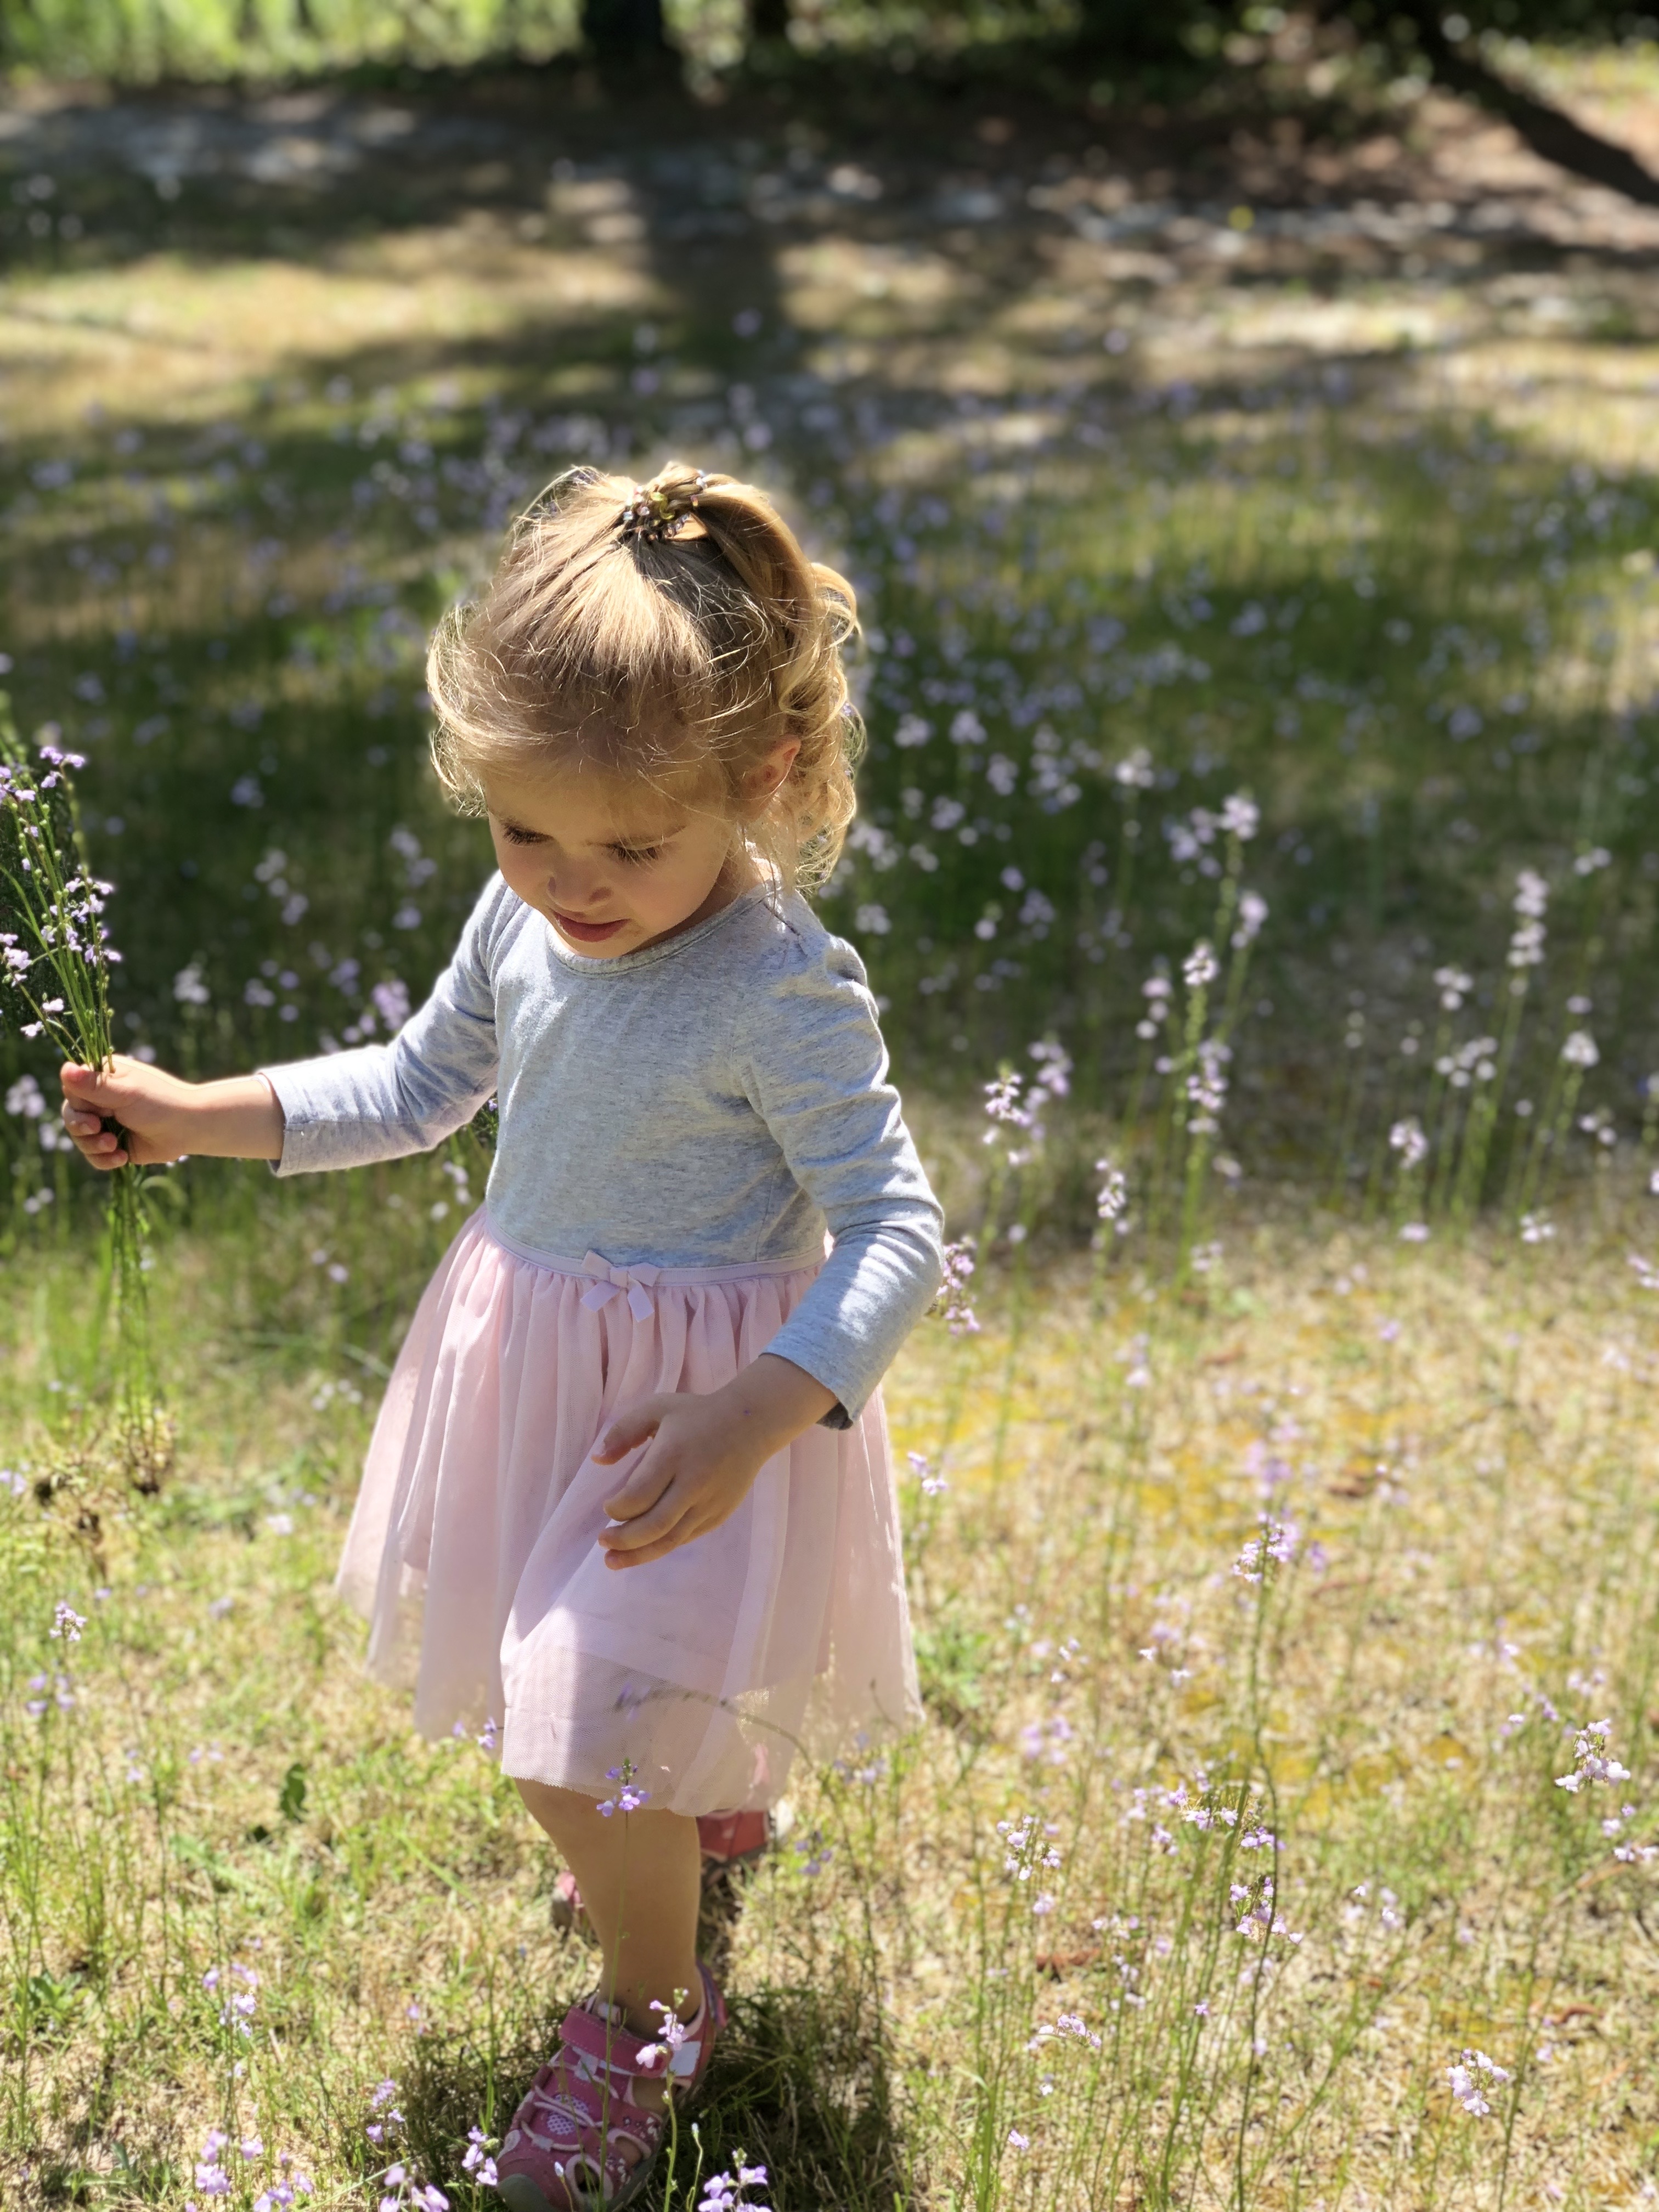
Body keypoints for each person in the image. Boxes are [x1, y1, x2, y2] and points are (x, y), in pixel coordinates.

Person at [59, 462, 944, 2212]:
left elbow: (900, 1227)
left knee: (570, 1736)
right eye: (525, 832)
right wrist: (194, 1111)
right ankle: (688, 1822)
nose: (572, 883)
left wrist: (765, 1409)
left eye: (631, 847)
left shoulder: (776, 987)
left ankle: (648, 2009)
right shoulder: (523, 917)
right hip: (534, 1379)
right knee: (607, 1701)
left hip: (695, 1418)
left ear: (760, 783)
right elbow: (413, 1085)